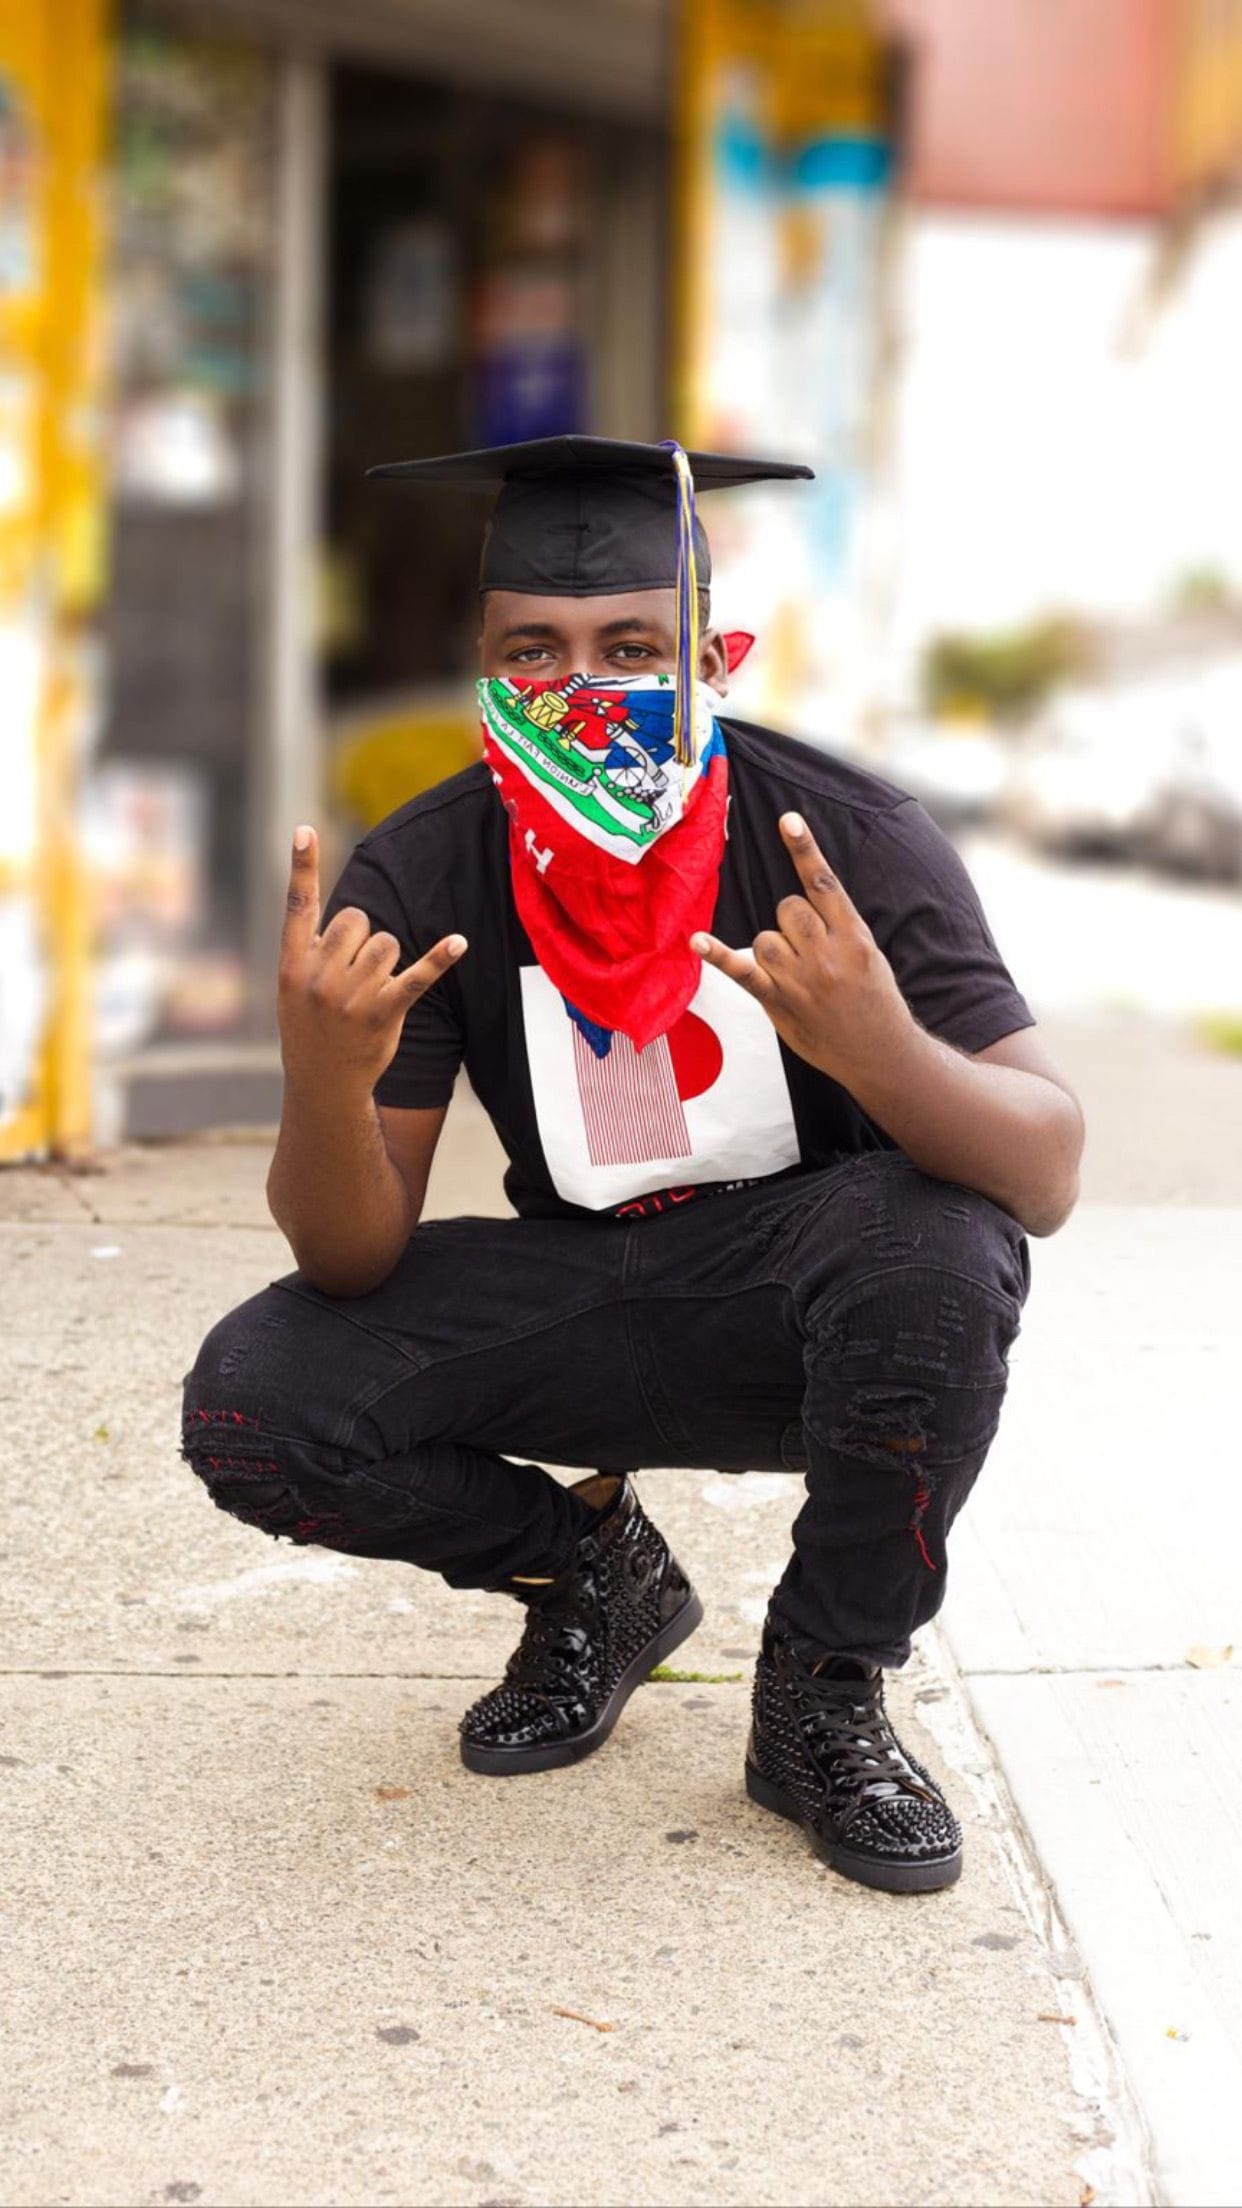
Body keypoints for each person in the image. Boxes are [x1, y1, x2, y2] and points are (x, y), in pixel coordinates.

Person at [181, 436, 1084, 1895]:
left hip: (825, 1323)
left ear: (713, 656)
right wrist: (323, 1082)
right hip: (583, 1299)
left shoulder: (841, 840)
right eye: (531, 649)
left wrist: (879, 1051)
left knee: (937, 1241)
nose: (580, 685)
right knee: (256, 1401)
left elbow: (1040, 1169)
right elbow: (350, 1259)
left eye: (631, 647)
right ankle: (589, 1575)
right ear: (478, 666)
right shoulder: (422, 867)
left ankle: (820, 1693)